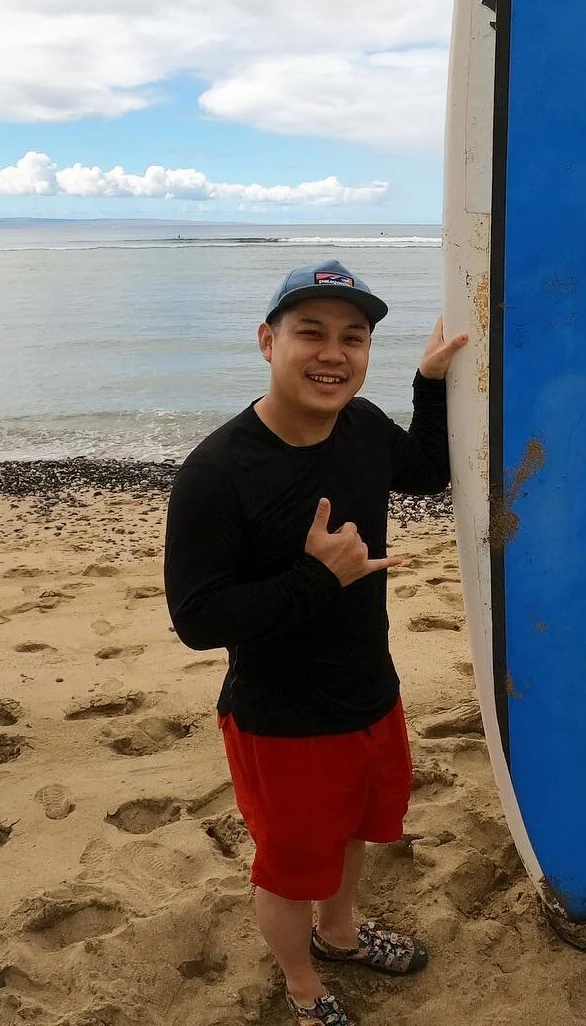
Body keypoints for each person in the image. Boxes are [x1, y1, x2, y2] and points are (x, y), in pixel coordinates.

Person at [164, 261, 466, 1026]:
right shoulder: (216, 472)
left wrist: (430, 385)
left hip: (371, 690)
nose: (334, 353)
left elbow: (428, 473)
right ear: (268, 342)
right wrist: (315, 579)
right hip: (282, 721)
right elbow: (198, 620)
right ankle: (303, 985)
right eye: (311, 333)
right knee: (292, 870)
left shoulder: (361, 427)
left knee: (357, 833)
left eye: (353, 338)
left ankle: (339, 935)